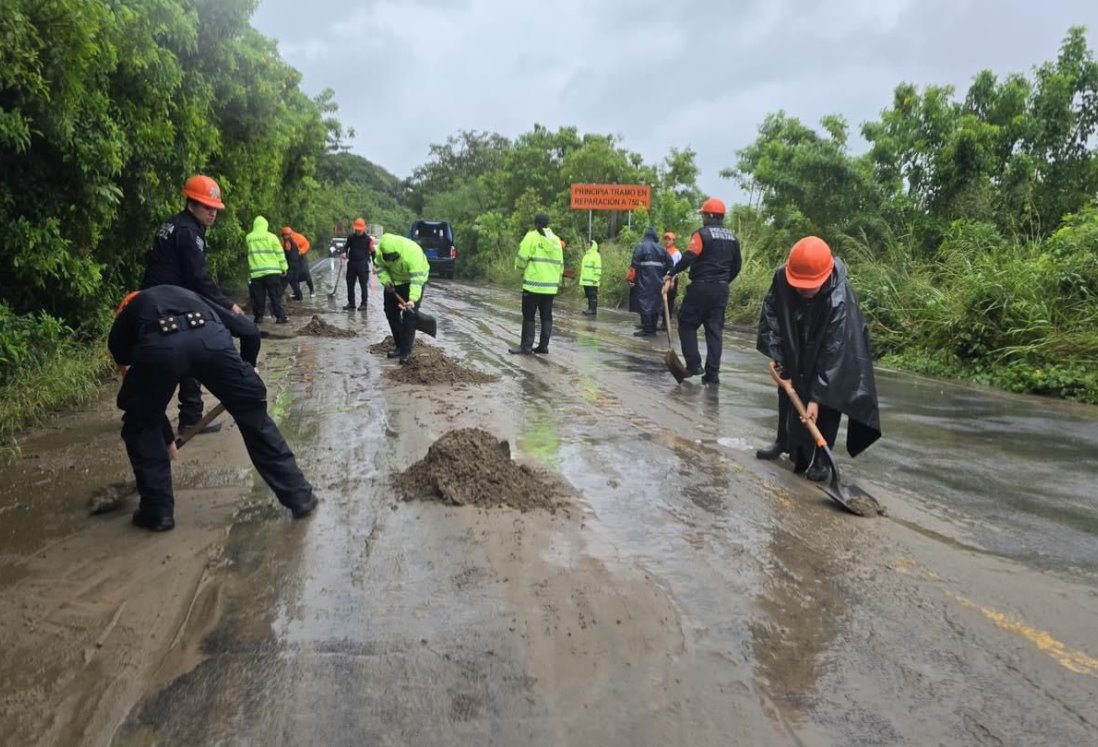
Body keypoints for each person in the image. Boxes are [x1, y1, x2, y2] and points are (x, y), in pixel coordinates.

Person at [109, 285, 317, 531]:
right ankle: (299, 496)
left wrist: (158, 431)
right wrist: (248, 370)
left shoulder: (128, 315)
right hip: (211, 342)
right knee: (254, 416)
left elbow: (140, 397)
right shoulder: (192, 296)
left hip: (160, 350)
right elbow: (249, 331)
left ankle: (158, 513)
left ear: (124, 307)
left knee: (140, 424)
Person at [755, 236, 882, 481]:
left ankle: (822, 459)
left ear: (824, 277)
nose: (802, 290)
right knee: (787, 391)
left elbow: (835, 352)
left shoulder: (840, 297)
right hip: (796, 345)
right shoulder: (782, 278)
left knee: (829, 401)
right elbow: (770, 313)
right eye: (799, 285)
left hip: (828, 352)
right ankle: (783, 441)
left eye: (808, 285)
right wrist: (777, 351)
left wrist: (816, 397)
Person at [142, 174, 242, 437]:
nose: (212, 213)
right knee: (188, 354)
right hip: (173, 303)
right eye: (207, 207)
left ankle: (154, 413)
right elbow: (198, 279)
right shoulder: (189, 233)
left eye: (215, 209)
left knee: (162, 358)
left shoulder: (173, 224)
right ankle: (187, 417)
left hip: (155, 299)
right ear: (192, 204)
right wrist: (227, 306)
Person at [662, 197, 741, 385]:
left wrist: (671, 273)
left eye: (704, 214)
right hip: (721, 288)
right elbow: (737, 266)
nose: (703, 217)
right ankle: (712, 375)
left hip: (701, 287)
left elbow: (690, 256)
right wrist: (722, 281)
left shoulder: (702, 234)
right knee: (715, 331)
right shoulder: (733, 238)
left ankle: (694, 364)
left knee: (687, 323)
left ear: (710, 215)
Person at [509, 213, 563, 355]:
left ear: (536, 224)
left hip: (533, 285)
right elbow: (560, 265)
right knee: (547, 316)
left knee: (529, 315)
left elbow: (522, 257)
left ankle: (526, 346)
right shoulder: (556, 240)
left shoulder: (531, 236)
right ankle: (543, 347)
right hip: (550, 287)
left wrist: (519, 267)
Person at [375, 233, 430, 362]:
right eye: (388, 259)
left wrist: (412, 299)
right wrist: (386, 281)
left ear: (398, 253)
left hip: (413, 281)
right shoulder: (381, 252)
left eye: (393, 258)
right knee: (390, 312)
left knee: (409, 316)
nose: (391, 261)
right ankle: (399, 346)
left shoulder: (413, 253)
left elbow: (417, 280)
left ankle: (406, 352)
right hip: (393, 283)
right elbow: (380, 267)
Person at [628, 227, 673, 336]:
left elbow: (634, 265)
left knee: (644, 304)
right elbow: (670, 263)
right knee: (655, 304)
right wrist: (664, 275)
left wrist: (630, 279)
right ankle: (652, 328)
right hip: (658, 281)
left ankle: (647, 329)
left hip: (643, 281)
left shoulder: (640, 247)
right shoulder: (662, 249)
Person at [246, 216, 288, 324]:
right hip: (272, 272)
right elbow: (279, 253)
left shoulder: (249, 237)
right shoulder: (272, 237)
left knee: (258, 297)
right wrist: (284, 267)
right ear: (266, 225)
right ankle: (280, 317)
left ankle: (258, 318)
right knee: (275, 295)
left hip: (256, 273)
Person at [342, 218, 372, 311]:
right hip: (352, 263)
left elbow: (373, 252)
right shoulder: (351, 237)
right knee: (350, 284)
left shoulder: (368, 239)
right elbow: (346, 246)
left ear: (363, 228)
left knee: (363, 285)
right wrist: (344, 252)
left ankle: (364, 304)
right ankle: (351, 303)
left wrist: (375, 264)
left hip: (363, 264)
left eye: (359, 229)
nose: (358, 231)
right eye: (356, 229)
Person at [659, 231, 682, 329]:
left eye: (669, 239)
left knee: (669, 301)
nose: (667, 241)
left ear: (673, 241)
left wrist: (672, 280)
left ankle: (666, 323)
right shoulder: (662, 251)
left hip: (672, 279)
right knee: (660, 300)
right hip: (662, 278)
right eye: (666, 239)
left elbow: (677, 268)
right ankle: (661, 322)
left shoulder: (676, 253)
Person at [285, 227, 314, 296]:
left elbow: (306, 244)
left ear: (290, 233)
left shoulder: (298, 237)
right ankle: (297, 292)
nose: (285, 237)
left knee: (306, 274)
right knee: (294, 275)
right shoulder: (285, 240)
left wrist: (302, 251)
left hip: (301, 257)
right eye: (284, 235)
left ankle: (312, 289)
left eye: (287, 235)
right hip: (292, 259)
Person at [280, 227, 305, 301]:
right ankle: (299, 296)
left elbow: (288, 255)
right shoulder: (292, 242)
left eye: (285, 235)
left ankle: (278, 295)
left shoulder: (288, 243)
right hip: (295, 265)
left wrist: (286, 266)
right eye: (284, 235)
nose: (284, 237)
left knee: (284, 281)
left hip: (291, 265)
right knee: (294, 281)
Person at [579, 238, 602, 316]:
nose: (586, 246)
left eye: (588, 245)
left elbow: (598, 268)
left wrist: (596, 278)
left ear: (592, 246)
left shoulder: (596, 255)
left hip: (592, 280)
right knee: (589, 295)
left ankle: (592, 310)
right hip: (586, 281)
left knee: (592, 295)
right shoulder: (586, 255)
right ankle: (590, 309)